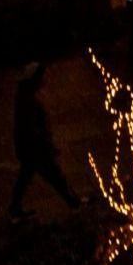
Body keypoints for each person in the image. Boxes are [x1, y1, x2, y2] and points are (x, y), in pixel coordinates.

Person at [8, 62, 81, 219]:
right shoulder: (29, 101)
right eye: (43, 76)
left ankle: (15, 208)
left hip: (29, 149)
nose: (46, 79)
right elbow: (32, 130)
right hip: (36, 150)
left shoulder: (24, 96)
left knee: (25, 177)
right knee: (55, 176)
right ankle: (74, 202)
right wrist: (47, 146)